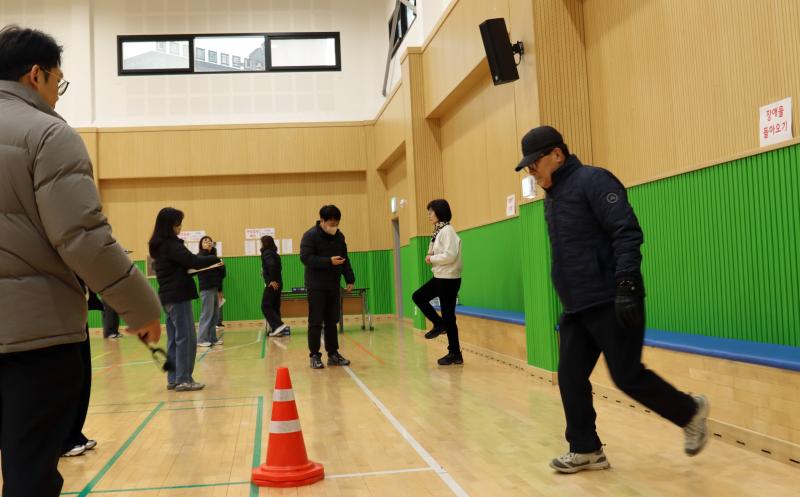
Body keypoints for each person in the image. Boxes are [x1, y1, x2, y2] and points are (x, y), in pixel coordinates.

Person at [0, 25, 161, 497]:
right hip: (35, 340)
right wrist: (140, 307)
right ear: (36, 75)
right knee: (30, 472)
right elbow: (83, 239)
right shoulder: (47, 133)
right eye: (58, 82)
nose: (57, 94)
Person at [514, 125, 709, 473]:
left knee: (627, 376)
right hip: (577, 305)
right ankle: (586, 449)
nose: (531, 170)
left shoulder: (595, 181)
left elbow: (626, 232)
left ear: (557, 155)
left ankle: (691, 413)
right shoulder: (553, 196)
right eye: (527, 165)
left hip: (612, 298)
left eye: (535, 163)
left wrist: (627, 284)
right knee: (571, 376)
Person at [149, 207, 220, 392]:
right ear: (171, 224)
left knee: (174, 339)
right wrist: (215, 259)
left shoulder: (159, 245)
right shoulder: (171, 245)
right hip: (178, 296)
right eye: (178, 223)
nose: (180, 227)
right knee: (186, 338)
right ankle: (183, 379)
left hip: (167, 296)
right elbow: (193, 261)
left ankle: (174, 378)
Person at [299, 205, 355, 369]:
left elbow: (345, 258)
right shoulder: (310, 236)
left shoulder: (339, 236)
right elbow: (306, 258)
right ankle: (315, 355)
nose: (334, 227)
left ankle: (333, 354)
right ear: (322, 221)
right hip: (316, 285)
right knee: (315, 322)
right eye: (331, 224)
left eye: (336, 223)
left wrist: (350, 278)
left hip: (333, 285)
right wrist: (328, 261)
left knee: (332, 321)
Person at [411, 199, 464, 365]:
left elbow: (450, 255)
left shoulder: (447, 230)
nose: (429, 215)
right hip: (441, 277)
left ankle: (454, 351)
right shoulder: (438, 231)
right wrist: (431, 255)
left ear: (439, 212)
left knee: (448, 316)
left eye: (431, 212)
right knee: (419, 297)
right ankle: (442, 328)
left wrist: (432, 258)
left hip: (448, 279)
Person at [196, 235, 226, 347]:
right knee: (207, 314)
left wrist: (219, 290)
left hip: (214, 288)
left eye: (210, 241)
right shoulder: (199, 257)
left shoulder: (214, 257)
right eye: (205, 241)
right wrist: (216, 261)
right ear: (201, 245)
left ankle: (212, 338)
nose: (208, 242)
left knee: (214, 315)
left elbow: (221, 274)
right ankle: (201, 339)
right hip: (206, 289)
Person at [261, 235, 290, 337]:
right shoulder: (275, 254)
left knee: (265, 306)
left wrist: (271, 280)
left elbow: (272, 266)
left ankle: (278, 325)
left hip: (273, 284)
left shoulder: (267, 253)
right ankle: (277, 330)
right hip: (278, 283)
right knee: (274, 306)